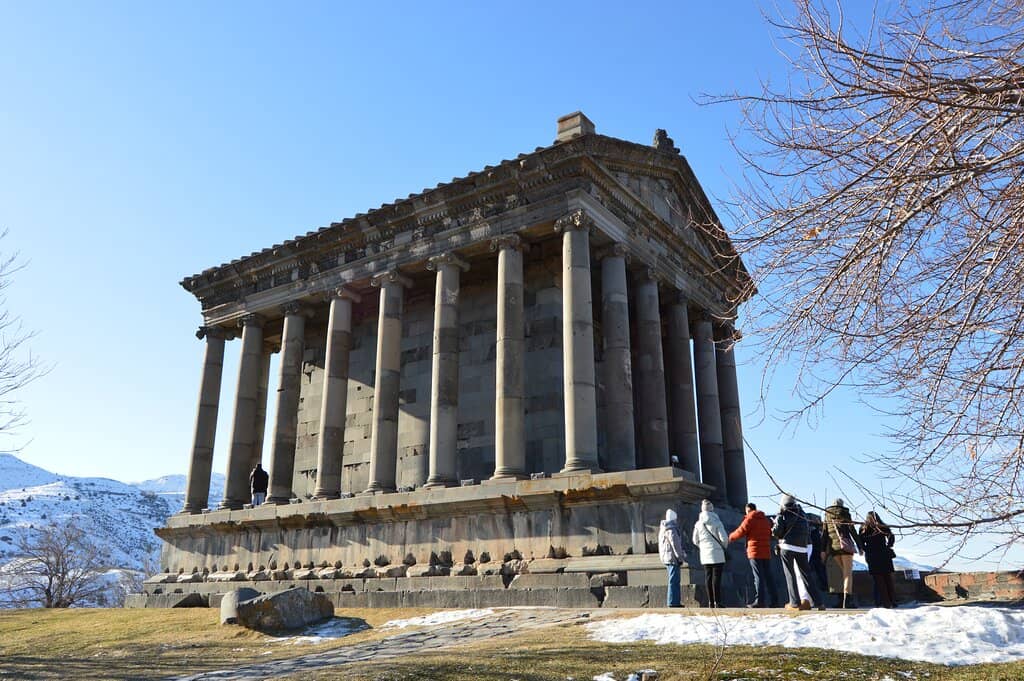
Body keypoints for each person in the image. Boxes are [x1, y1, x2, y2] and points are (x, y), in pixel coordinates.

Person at [772, 494, 825, 611]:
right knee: (807, 575)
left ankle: (794, 603)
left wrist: (774, 524)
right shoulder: (802, 514)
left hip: (787, 547)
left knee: (790, 575)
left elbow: (777, 532)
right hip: (802, 548)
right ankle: (819, 602)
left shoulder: (782, 514)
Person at [729, 502, 779, 608]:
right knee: (768, 576)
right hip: (765, 551)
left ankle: (760, 601)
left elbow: (740, 531)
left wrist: (730, 537)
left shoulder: (750, 519)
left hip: (754, 552)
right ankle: (775, 600)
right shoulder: (765, 520)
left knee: (758, 577)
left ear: (748, 510)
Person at [822, 498, 862, 608]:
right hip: (846, 547)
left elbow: (824, 534)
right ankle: (847, 601)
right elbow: (852, 530)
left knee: (842, 573)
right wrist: (860, 546)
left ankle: (841, 600)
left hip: (833, 548)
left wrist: (823, 550)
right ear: (841, 505)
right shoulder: (845, 513)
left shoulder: (827, 515)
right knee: (848, 574)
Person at [692, 499, 729, 608]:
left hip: (705, 554)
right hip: (717, 554)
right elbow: (724, 538)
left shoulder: (698, 524)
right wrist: (723, 546)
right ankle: (718, 602)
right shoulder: (717, 522)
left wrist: (702, 547)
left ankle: (710, 602)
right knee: (716, 578)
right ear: (712, 509)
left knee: (708, 577)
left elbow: (694, 540)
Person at [859, 511, 897, 608]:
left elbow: (861, 542)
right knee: (888, 579)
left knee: (879, 581)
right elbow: (891, 536)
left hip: (872, 556)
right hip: (884, 554)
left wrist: (867, 549)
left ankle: (886, 603)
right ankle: (893, 601)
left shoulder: (863, 528)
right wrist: (888, 546)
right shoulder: (882, 526)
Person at [658, 508, 686, 607]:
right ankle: (673, 602)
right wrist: (680, 557)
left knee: (673, 580)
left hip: (667, 557)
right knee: (674, 581)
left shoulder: (663, 528)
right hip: (672, 558)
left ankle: (674, 602)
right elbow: (676, 545)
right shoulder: (671, 529)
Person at [806, 513, 829, 594]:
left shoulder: (813, 533)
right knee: (821, 571)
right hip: (819, 553)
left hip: (814, 554)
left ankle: (822, 586)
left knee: (815, 570)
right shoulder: (820, 533)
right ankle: (824, 585)